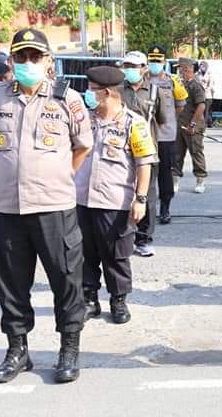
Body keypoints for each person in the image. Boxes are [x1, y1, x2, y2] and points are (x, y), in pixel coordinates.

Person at [0, 28, 92, 384]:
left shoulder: (67, 100)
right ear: (11, 60)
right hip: (9, 209)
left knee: (66, 281)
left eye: (34, 57)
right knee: (10, 282)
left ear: (48, 61)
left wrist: (55, 177)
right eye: (21, 57)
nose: (27, 63)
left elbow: (82, 146)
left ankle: (68, 349)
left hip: (54, 207)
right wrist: (14, 175)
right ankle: (17, 350)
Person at [75, 65, 156, 325]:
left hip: (114, 201)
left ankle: (118, 300)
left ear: (107, 93)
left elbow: (145, 162)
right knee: (84, 253)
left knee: (116, 254)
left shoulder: (134, 123)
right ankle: (89, 299)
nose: (88, 93)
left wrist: (140, 199)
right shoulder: (84, 120)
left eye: (92, 89)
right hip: (81, 199)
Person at [122, 51, 170, 257]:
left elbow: (161, 119)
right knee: (122, 193)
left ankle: (144, 239)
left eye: (134, 66)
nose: (130, 70)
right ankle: (125, 237)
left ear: (144, 68)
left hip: (147, 151)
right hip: (120, 150)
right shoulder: (116, 90)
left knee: (147, 196)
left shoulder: (153, 92)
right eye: (127, 66)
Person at [147, 45, 188, 224]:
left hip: (165, 135)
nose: (155, 64)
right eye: (152, 61)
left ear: (164, 62)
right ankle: (145, 209)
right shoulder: (141, 79)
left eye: (158, 61)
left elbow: (180, 106)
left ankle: (165, 208)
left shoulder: (173, 82)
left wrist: (167, 119)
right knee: (145, 173)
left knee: (165, 173)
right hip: (145, 136)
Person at [174, 58, 208, 194]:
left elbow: (201, 106)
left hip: (193, 125)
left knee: (196, 152)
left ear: (187, 69)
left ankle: (200, 181)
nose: (179, 71)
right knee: (176, 154)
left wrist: (193, 124)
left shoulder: (195, 85)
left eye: (181, 68)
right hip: (180, 124)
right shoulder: (179, 85)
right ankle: (175, 181)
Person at [197, 61, 215, 128]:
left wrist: (205, 90)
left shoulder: (210, 74)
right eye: (201, 66)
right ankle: (209, 123)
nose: (202, 67)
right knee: (204, 110)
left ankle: (204, 124)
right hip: (200, 95)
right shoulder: (197, 74)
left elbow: (211, 85)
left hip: (208, 95)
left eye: (203, 66)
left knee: (206, 110)